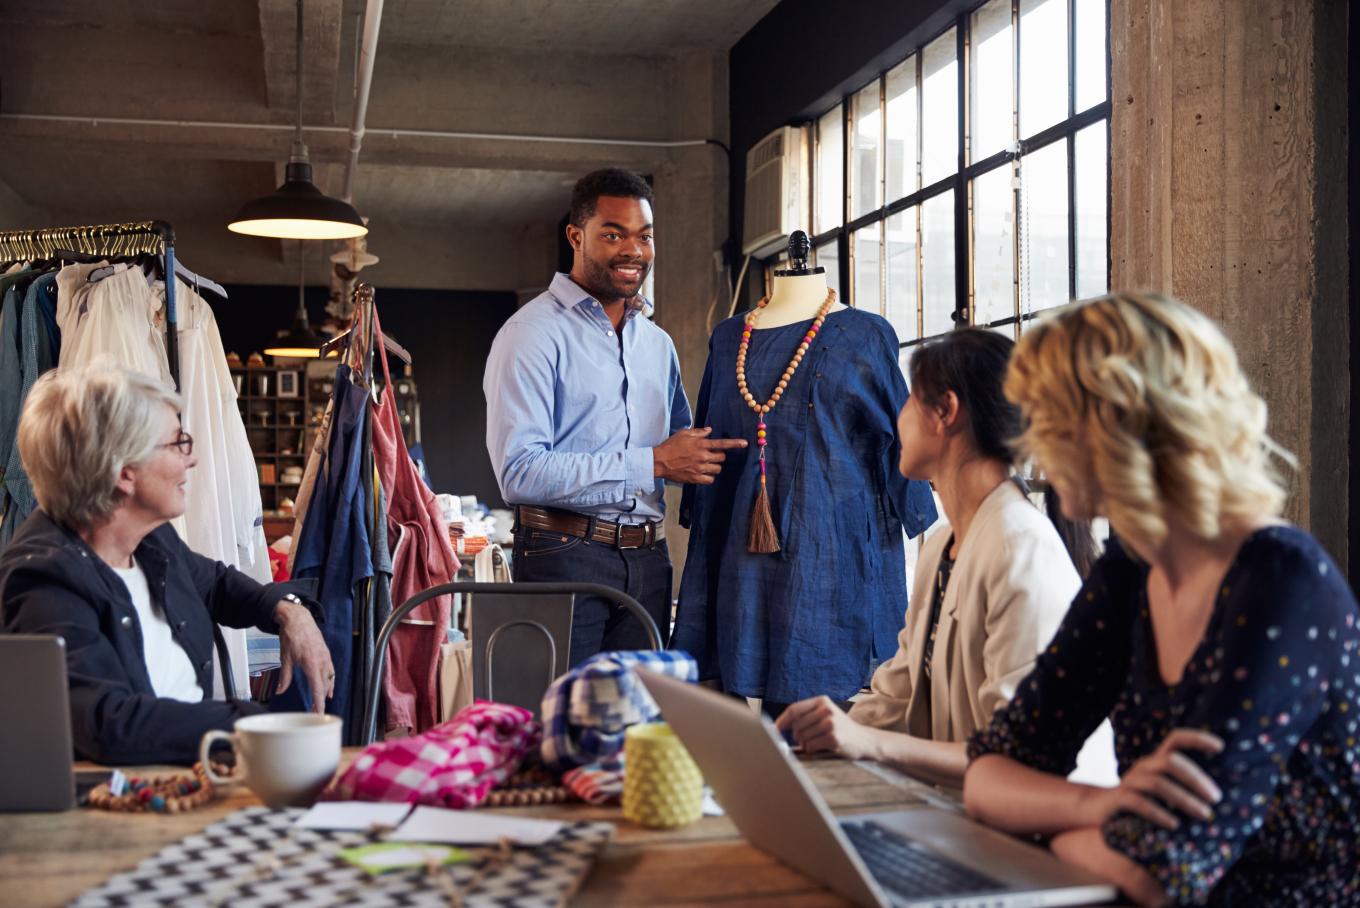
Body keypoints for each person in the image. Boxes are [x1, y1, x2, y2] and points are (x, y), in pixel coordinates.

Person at [963, 293, 1360, 905]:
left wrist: (1050, 827)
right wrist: (1106, 804)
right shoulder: (1130, 568)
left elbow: (1159, 872)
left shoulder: (1283, 581)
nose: (1032, 446)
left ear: (1116, 425)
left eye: (1051, 420)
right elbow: (987, 780)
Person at [775, 328, 1104, 788]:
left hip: (1034, 836)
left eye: (910, 400)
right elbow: (895, 698)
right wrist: (807, 743)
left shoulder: (1019, 549)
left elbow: (1020, 761)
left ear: (946, 412)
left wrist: (864, 742)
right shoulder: (941, 546)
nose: (899, 416)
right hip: (960, 816)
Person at [0, 363, 334, 766]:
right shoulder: (44, 579)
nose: (190, 461)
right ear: (124, 473)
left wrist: (288, 611)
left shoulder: (148, 540)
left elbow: (215, 583)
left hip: (194, 773)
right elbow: (109, 723)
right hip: (126, 804)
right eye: (178, 443)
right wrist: (250, 724)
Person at [483, 168, 745, 665]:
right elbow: (519, 473)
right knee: (562, 729)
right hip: (562, 557)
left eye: (644, 236)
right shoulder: (530, 335)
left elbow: (679, 453)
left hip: (649, 560)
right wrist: (655, 463)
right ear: (576, 237)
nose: (634, 250)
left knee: (637, 729)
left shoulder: (657, 343)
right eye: (613, 234)